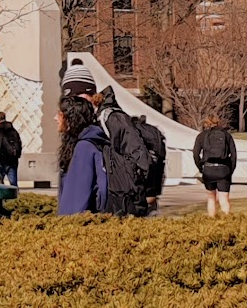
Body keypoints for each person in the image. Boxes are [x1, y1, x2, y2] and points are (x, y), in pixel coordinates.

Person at [93, 89, 149, 217]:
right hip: (118, 181)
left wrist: (135, 176)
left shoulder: (111, 117)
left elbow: (135, 149)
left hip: (121, 184)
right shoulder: (106, 116)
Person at [57, 96, 108, 215]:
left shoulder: (84, 147)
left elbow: (76, 199)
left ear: (70, 118)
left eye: (59, 114)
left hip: (79, 225)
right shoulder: (92, 141)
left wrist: (63, 226)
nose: (55, 118)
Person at [193, 116, 238, 217]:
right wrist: (230, 170)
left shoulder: (202, 136)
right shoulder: (226, 135)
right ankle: (226, 221)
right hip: (223, 169)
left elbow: (196, 154)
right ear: (219, 123)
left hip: (208, 169)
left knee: (211, 198)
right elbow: (234, 155)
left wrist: (200, 167)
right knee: (224, 198)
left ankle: (212, 221)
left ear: (206, 124)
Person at [134, 114, 167, 210]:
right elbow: (162, 153)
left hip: (138, 166)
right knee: (151, 194)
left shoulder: (133, 130)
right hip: (155, 165)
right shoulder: (154, 130)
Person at [0, 111, 22, 186]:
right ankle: (16, 196)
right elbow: (19, 143)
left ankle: (1, 197)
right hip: (12, 160)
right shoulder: (12, 130)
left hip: (0, 160)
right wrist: (17, 155)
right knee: (13, 184)